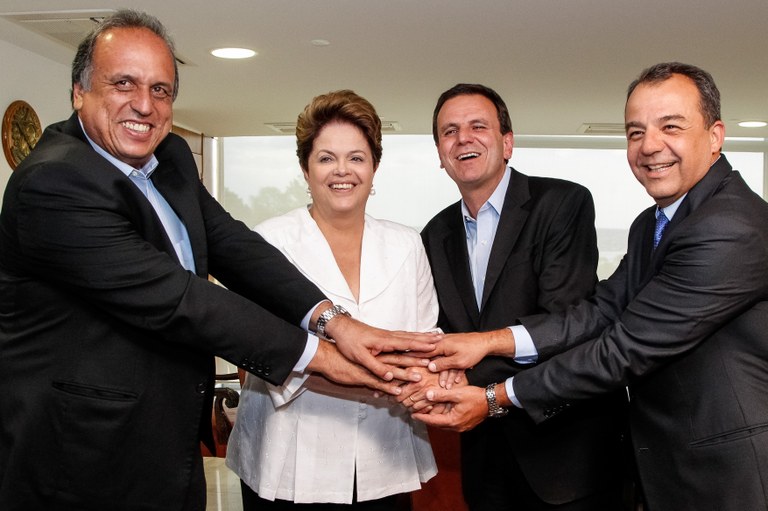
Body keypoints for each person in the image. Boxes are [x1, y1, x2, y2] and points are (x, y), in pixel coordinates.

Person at [0, 11, 435, 511]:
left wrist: (335, 321)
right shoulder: (54, 183)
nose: (144, 104)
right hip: (80, 456)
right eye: (123, 83)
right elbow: (181, 300)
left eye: (161, 90)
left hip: (167, 444)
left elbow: (232, 245)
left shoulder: (169, 158)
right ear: (79, 91)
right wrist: (331, 360)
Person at [416, 63, 768, 511]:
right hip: (667, 463)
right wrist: (488, 341)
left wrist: (494, 397)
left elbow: (622, 349)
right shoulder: (652, 223)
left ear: (715, 136)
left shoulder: (729, 226)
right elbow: (601, 310)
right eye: (636, 132)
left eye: (670, 127)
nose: (649, 145)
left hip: (728, 473)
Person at [402, 84, 627, 510]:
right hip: (485, 459)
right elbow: (441, 331)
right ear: (440, 154)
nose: (463, 138)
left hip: (566, 457)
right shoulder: (433, 235)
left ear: (507, 143)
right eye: (449, 131)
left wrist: (466, 379)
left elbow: (565, 323)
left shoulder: (562, 203)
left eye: (477, 126)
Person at [226, 90, 438, 510]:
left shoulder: (407, 244)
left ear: (374, 167)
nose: (343, 171)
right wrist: (379, 377)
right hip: (290, 463)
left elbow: (425, 340)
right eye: (326, 158)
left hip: (384, 459)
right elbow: (261, 352)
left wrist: (415, 373)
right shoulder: (269, 243)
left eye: (356, 158)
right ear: (305, 169)